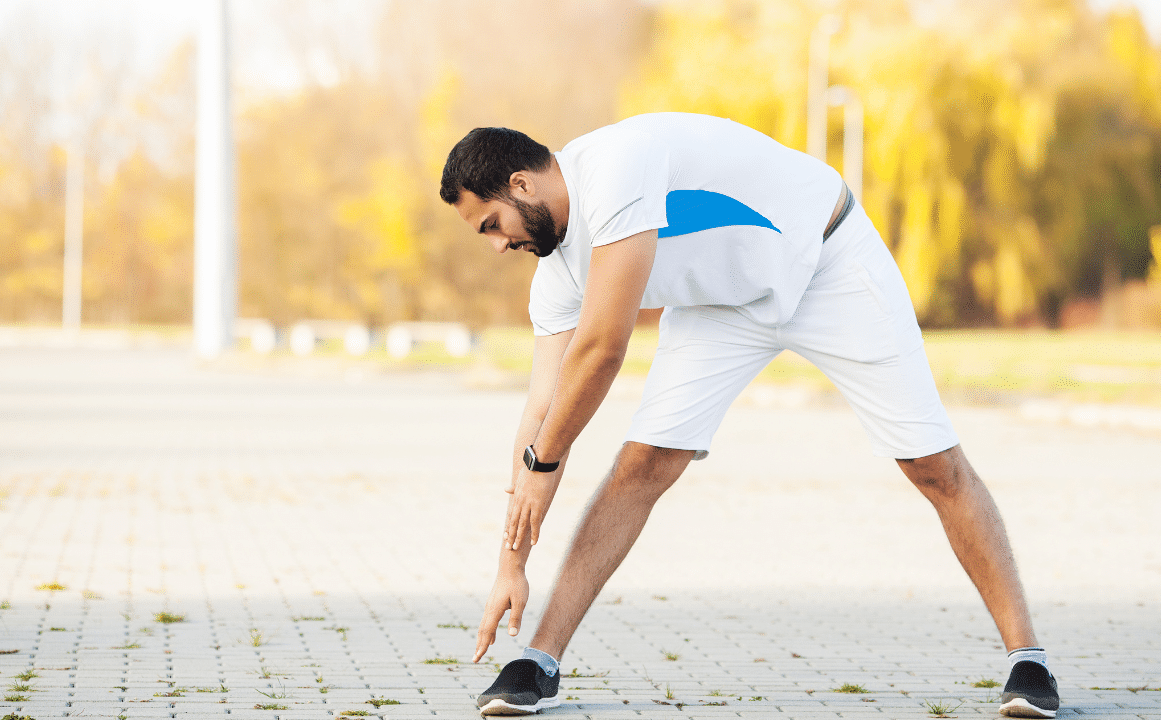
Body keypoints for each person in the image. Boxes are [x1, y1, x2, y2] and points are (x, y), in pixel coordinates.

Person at [438, 112, 1060, 719]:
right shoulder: (554, 276)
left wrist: (545, 457)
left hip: (830, 260)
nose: (497, 247)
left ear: (522, 185)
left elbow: (601, 352)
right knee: (642, 464)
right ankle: (538, 662)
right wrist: (510, 563)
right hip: (722, 304)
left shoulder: (612, 172)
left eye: (492, 224)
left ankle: (1028, 660)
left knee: (931, 464)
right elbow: (543, 409)